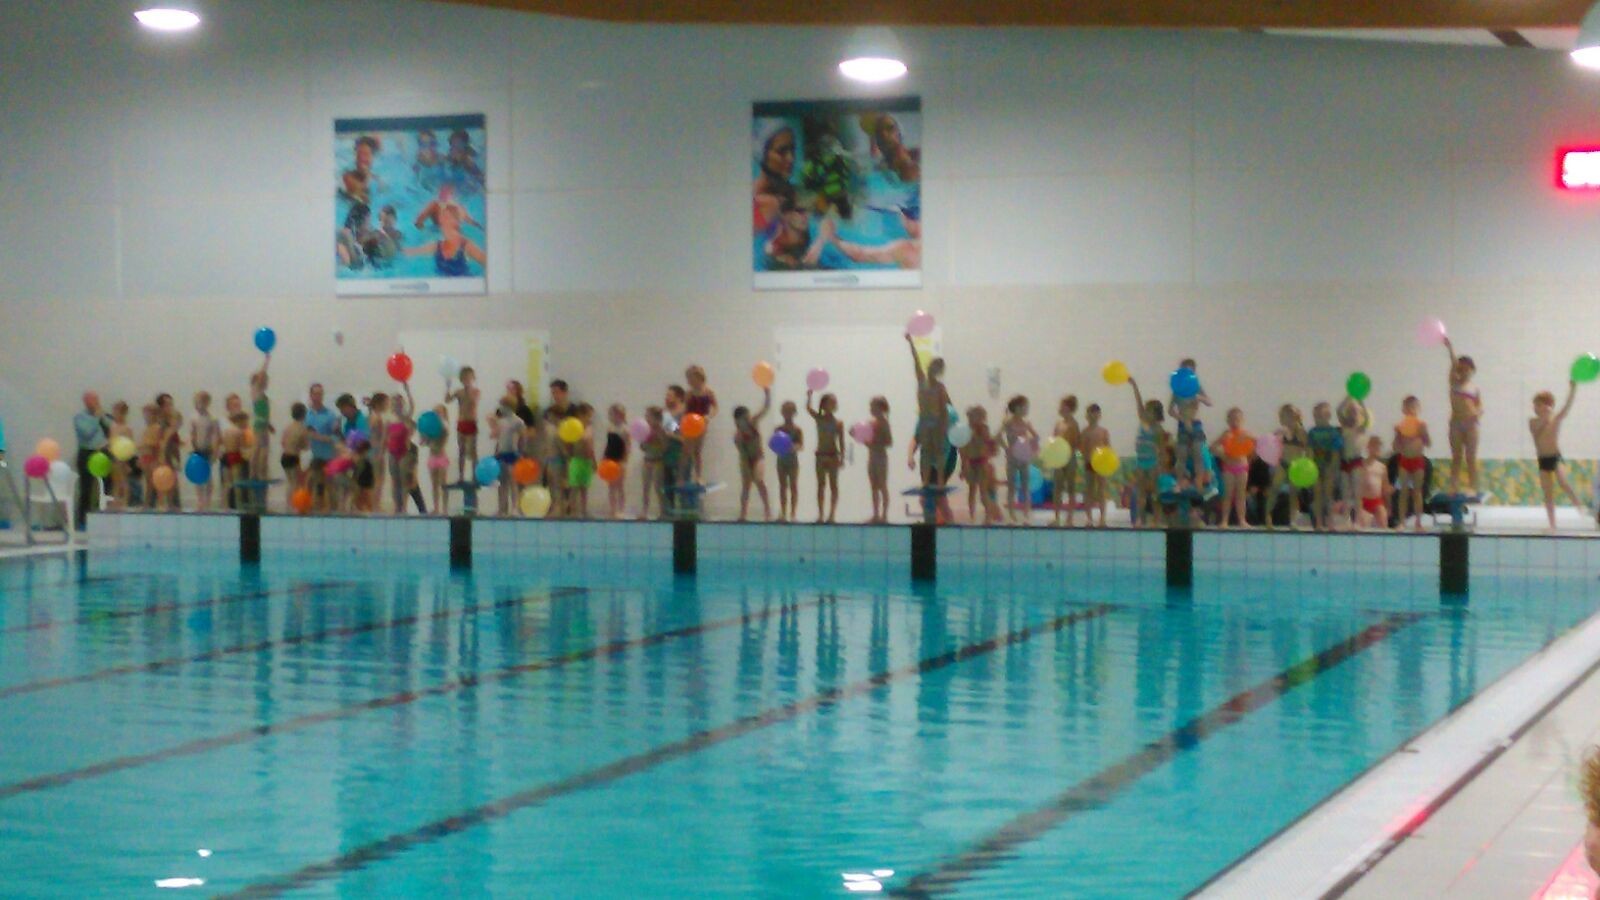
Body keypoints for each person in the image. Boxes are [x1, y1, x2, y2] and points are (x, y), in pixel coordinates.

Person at [907, 332, 954, 522]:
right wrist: (911, 342)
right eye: (932, 368)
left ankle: (940, 481)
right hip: (925, 421)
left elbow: (945, 408)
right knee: (926, 453)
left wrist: (944, 426)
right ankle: (926, 481)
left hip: (936, 422)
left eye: (936, 370)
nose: (933, 372)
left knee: (938, 453)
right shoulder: (921, 381)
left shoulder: (941, 388)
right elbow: (916, 361)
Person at [1530, 381, 1583, 530]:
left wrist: (1573, 389)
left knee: (1564, 482)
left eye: (1539, 405)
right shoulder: (1533, 422)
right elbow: (1536, 431)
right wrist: (1545, 417)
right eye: (1535, 405)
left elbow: (1566, 407)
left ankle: (1580, 507)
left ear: (1548, 406)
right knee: (1548, 493)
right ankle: (1552, 525)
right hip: (1542, 460)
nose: (1536, 408)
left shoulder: (1555, 419)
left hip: (1555, 457)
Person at [1443, 336, 1482, 497]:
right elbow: (1453, 365)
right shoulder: (1454, 383)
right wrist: (1450, 348)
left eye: (1468, 369)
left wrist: (1477, 413)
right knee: (1457, 457)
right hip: (1456, 424)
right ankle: (1454, 486)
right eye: (1462, 369)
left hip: (1471, 425)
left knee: (1471, 457)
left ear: (1472, 370)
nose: (1464, 371)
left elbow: (1480, 406)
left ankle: (1473, 486)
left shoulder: (1474, 388)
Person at [1127, 380, 1167, 527]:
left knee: (1155, 493)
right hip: (1141, 462)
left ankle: (1156, 519)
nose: (1145, 412)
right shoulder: (1143, 421)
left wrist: (1160, 467)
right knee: (1141, 493)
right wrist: (1134, 386)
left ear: (1156, 414)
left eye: (1149, 410)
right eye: (1146, 409)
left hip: (1152, 463)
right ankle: (1139, 518)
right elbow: (1138, 404)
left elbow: (1161, 450)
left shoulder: (1158, 429)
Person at [1168, 358, 1212, 486]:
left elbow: (1209, 402)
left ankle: (1199, 481)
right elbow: (1170, 410)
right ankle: (1179, 482)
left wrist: (1199, 397)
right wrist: (1182, 419)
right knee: (1181, 456)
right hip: (1183, 425)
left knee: (1198, 454)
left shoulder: (1197, 387)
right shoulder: (1177, 390)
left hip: (1196, 425)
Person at [1265, 404, 1308, 530]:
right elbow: (1271, 445)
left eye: (1290, 416)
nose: (1287, 419)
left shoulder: (1302, 432)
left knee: (1294, 494)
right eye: (1284, 416)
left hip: (1296, 465)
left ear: (1297, 417)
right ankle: (1268, 517)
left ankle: (1293, 520)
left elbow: (1307, 447)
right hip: (1283, 463)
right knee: (1274, 489)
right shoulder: (1281, 431)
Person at [732, 389, 772, 521]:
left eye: (747, 418)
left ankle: (767, 510)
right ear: (738, 421)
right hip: (746, 459)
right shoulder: (737, 436)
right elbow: (742, 453)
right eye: (744, 419)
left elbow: (765, 409)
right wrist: (747, 467)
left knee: (759, 481)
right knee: (746, 486)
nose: (747, 420)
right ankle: (743, 513)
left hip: (758, 457)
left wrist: (767, 394)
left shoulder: (753, 422)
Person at [71, 391, 110, 528]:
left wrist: (103, 418)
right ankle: (83, 521)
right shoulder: (80, 417)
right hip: (87, 452)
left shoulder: (103, 416)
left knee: (106, 487)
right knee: (86, 488)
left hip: (103, 453)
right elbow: (87, 433)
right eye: (93, 400)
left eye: (97, 399)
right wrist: (96, 418)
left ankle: (104, 519)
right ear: (86, 402)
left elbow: (111, 430)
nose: (96, 403)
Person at [1394, 396, 1432, 531]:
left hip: (1418, 461)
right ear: (1403, 410)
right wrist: (1397, 435)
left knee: (1417, 492)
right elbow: (1396, 447)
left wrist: (1423, 433)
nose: (1411, 410)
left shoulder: (1421, 425)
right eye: (1408, 407)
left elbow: (1428, 443)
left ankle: (1418, 523)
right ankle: (1402, 522)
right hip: (1405, 460)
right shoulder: (1401, 426)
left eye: (1414, 407)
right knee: (1403, 492)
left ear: (1418, 409)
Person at [1000, 395, 1040, 525]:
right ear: (1017, 408)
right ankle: (1011, 516)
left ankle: (1026, 515)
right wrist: (1006, 448)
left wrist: (1031, 445)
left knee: (1025, 487)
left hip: (1023, 457)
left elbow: (1036, 436)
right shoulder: (1008, 422)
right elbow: (997, 436)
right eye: (1025, 407)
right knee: (1011, 487)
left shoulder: (1026, 423)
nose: (1026, 409)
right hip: (1012, 458)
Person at [753, 123, 797, 235]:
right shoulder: (754, 199)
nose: (790, 158)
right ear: (763, 155)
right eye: (782, 151)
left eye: (792, 150)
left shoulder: (792, 195)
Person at [303, 384, 341, 512]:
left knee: (331, 486)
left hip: (329, 457)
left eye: (320, 394)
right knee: (313, 484)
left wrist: (319, 437)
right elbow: (304, 435)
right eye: (316, 394)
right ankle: (314, 510)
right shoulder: (307, 415)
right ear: (311, 395)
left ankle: (335, 512)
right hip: (316, 457)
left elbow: (336, 437)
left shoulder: (330, 415)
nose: (318, 397)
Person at [807, 390, 843, 523]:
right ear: (824, 405)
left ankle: (832, 514)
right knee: (821, 485)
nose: (832, 405)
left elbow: (841, 441)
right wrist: (809, 397)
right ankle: (821, 514)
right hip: (820, 455)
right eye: (830, 402)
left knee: (833, 485)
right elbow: (808, 409)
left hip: (833, 455)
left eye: (834, 403)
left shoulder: (838, 423)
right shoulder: (819, 418)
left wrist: (842, 457)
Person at [1307, 402, 1344, 531]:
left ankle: (1330, 522)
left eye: (1320, 416)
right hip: (1316, 467)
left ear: (1328, 416)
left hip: (1329, 467)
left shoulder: (1334, 433)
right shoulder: (1312, 432)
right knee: (1317, 494)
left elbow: (1335, 453)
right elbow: (1310, 451)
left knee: (1328, 495)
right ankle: (1318, 522)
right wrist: (1311, 467)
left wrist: (1332, 469)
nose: (1317, 419)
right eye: (1315, 416)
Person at [1215, 407, 1253, 529]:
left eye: (1237, 419)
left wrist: (1250, 438)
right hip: (1229, 467)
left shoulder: (1246, 434)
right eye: (1231, 419)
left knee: (1241, 494)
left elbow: (1258, 445)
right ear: (1227, 421)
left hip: (1242, 466)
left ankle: (1242, 520)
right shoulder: (1226, 434)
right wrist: (1222, 455)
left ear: (1242, 420)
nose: (1234, 422)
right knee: (1228, 494)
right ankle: (1224, 520)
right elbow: (1212, 447)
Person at [1337, 395, 1370, 528]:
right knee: (1345, 492)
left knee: (1357, 493)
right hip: (1344, 461)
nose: (1352, 414)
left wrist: (1361, 401)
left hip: (1356, 461)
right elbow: (1339, 411)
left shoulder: (1361, 427)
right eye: (1350, 411)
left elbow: (1366, 417)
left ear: (1359, 413)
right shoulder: (1344, 426)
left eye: (1355, 411)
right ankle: (1346, 519)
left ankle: (1357, 520)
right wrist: (1347, 398)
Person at [1052, 394, 1083, 527]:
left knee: (1070, 488)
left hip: (1069, 457)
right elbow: (1053, 440)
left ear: (1069, 408)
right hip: (1058, 457)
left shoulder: (1073, 424)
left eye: (1062, 406)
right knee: (1057, 488)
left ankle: (1069, 518)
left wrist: (1075, 456)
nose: (1060, 408)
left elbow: (1077, 443)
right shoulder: (1058, 424)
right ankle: (1057, 517)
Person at [683, 365, 718, 481]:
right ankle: (682, 476)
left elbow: (715, 407)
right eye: (688, 378)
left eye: (690, 378)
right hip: (690, 424)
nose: (689, 381)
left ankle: (698, 476)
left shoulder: (708, 392)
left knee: (697, 451)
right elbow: (684, 409)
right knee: (686, 451)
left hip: (701, 423)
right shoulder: (689, 393)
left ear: (698, 378)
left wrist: (709, 416)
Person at [447, 366, 480, 483]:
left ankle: (475, 475)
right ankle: (461, 476)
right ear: (461, 379)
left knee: (472, 451)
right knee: (461, 451)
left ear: (473, 378)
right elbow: (447, 400)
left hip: (471, 422)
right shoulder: (459, 392)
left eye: (469, 378)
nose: (467, 380)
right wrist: (448, 387)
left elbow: (473, 402)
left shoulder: (475, 391)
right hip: (461, 423)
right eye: (465, 378)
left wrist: (468, 390)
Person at [1080, 404, 1111, 528]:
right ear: (1087, 416)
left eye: (1095, 413)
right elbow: (1081, 448)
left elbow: (1108, 448)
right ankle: (1089, 518)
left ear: (1099, 416)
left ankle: (1102, 518)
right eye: (1090, 413)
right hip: (1089, 463)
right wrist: (1085, 458)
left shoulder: (1103, 432)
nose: (1093, 416)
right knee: (1089, 490)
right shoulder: (1084, 432)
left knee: (1101, 491)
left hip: (1101, 463)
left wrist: (1107, 461)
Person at [490, 401, 523, 517]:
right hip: (501, 453)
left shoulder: (518, 421)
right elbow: (498, 438)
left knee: (513, 482)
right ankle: (502, 508)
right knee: (502, 482)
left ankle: (515, 508)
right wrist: (496, 453)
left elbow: (522, 437)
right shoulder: (501, 422)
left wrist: (521, 452)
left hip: (512, 453)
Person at [773, 401, 803, 522]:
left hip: (792, 460)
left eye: (790, 411)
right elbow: (774, 444)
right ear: (782, 412)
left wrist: (793, 447)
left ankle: (793, 513)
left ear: (794, 413)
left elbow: (800, 445)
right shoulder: (778, 429)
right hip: (781, 459)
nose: (787, 414)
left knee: (793, 485)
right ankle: (783, 512)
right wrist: (780, 447)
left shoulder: (797, 430)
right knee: (782, 486)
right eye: (785, 411)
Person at [189, 392, 220, 511]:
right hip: (197, 449)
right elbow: (192, 434)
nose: (198, 405)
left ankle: (208, 500)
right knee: (198, 476)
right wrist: (192, 448)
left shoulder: (212, 418)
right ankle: (200, 500)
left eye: (201, 402)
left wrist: (215, 451)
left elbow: (215, 436)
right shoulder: (194, 418)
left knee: (207, 476)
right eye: (196, 402)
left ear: (207, 403)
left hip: (208, 449)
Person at [638, 406, 670, 521]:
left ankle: (663, 511)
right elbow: (642, 447)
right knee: (645, 488)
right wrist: (645, 441)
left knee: (658, 488)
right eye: (646, 416)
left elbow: (665, 448)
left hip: (658, 461)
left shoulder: (661, 431)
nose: (646, 418)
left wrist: (658, 439)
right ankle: (644, 511)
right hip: (647, 461)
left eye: (648, 416)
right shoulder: (645, 430)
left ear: (657, 419)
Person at [866, 397, 893, 524]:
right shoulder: (871, 423)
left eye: (873, 406)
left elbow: (889, 441)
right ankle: (875, 514)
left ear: (881, 408)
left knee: (882, 485)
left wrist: (876, 443)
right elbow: (867, 440)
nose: (871, 409)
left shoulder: (884, 423)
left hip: (881, 456)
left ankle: (884, 515)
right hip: (872, 456)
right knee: (874, 486)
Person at [1357, 436, 1392, 529]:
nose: (1377, 449)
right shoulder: (1360, 465)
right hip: (1363, 501)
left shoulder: (1382, 467)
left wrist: (1388, 505)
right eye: (1374, 446)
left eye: (1378, 447)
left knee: (1383, 522)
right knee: (1364, 524)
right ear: (1368, 447)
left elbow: (1385, 488)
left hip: (1377, 501)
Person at [219, 412, 250, 510]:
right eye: (246, 422)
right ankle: (239, 505)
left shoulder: (226, 431)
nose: (246, 424)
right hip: (235, 457)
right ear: (240, 421)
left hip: (225, 456)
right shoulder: (239, 432)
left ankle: (224, 506)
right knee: (237, 483)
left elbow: (221, 443)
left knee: (226, 484)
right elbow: (242, 447)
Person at [604, 404, 629, 519]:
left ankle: (621, 509)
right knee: (611, 486)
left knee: (620, 486)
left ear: (620, 415)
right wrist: (604, 457)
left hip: (619, 460)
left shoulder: (625, 429)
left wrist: (624, 460)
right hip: (610, 459)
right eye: (611, 414)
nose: (611, 416)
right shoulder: (610, 428)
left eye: (613, 414)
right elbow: (608, 445)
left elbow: (627, 447)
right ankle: (612, 509)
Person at [107, 401, 134, 510]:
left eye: (117, 412)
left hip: (122, 456)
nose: (115, 414)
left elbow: (130, 444)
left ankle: (125, 500)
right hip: (114, 455)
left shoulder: (126, 428)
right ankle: (116, 499)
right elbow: (111, 440)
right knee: (115, 479)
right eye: (114, 412)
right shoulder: (113, 426)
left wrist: (127, 461)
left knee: (123, 479)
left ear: (123, 414)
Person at [281, 402, 309, 502]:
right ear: (304, 414)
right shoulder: (302, 429)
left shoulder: (288, 427)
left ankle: (288, 503)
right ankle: (293, 504)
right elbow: (306, 446)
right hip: (293, 457)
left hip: (284, 456)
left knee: (290, 483)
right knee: (295, 483)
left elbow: (283, 442)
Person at [340, 135, 379, 204]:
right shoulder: (347, 177)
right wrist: (367, 177)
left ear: (372, 157)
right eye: (359, 154)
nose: (362, 158)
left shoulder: (376, 179)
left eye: (366, 154)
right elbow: (363, 198)